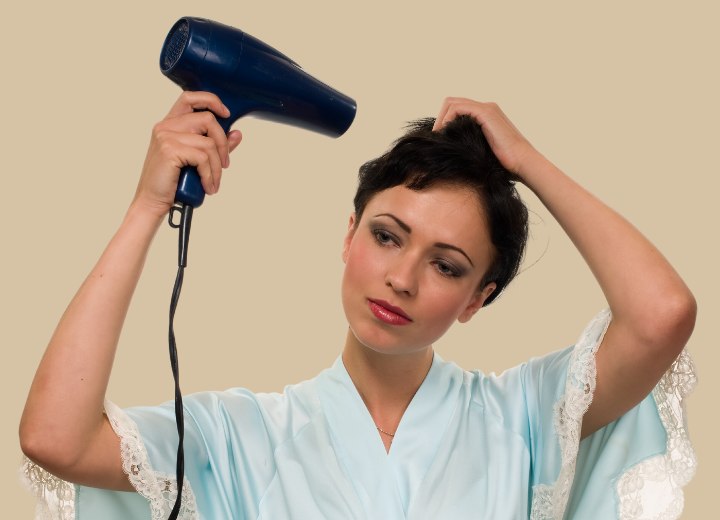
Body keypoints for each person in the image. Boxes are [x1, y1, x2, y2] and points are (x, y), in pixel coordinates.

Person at [19, 92, 697, 519]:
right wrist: (148, 205)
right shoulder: (240, 438)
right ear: (348, 236)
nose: (402, 278)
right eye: (386, 236)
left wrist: (523, 161)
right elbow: (56, 438)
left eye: (446, 265)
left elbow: (661, 313)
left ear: (476, 299)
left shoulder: (519, 421)